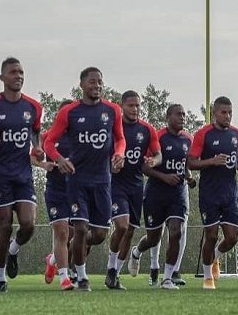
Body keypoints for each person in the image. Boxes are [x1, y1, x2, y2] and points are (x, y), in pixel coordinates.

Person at [43, 66, 125, 292]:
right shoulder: (69, 112)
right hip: (77, 181)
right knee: (79, 228)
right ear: (82, 85)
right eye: (92, 81)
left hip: (102, 182)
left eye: (99, 81)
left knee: (99, 234)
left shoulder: (112, 110)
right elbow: (49, 142)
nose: (96, 85)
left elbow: (120, 139)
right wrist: (59, 159)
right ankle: (81, 276)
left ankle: (61, 257)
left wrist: (119, 154)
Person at [0, 57, 43, 292]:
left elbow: (36, 132)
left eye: (21, 72)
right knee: (4, 224)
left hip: (23, 175)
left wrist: (38, 147)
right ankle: (0, 277)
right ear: (2, 77)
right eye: (13, 72)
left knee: (28, 224)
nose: (19, 76)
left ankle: (14, 250)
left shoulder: (33, 107)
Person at [129, 103, 194, 290]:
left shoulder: (188, 140)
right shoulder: (158, 137)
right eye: (178, 114)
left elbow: (185, 166)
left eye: (184, 114)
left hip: (177, 194)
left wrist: (189, 178)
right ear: (168, 117)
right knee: (153, 239)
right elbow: (144, 167)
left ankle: (167, 278)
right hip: (156, 193)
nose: (182, 117)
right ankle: (136, 251)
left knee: (176, 231)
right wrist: (164, 177)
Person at [187, 96, 238, 290]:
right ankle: (207, 277)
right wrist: (211, 161)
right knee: (211, 235)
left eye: (230, 112)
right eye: (223, 112)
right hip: (209, 193)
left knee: (232, 237)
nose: (227, 116)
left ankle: (215, 258)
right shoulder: (203, 134)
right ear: (214, 112)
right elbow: (191, 162)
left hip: (229, 193)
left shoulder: (237, 134)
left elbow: (235, 160)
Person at [106, 91, 161, 290]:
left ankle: (115, 274)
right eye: (130, 105)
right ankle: (111, 268)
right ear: (122, 106)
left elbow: (158, 154)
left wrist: (153, 161)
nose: (135, 109)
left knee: (129, 232)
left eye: (137, 105)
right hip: (115, 184)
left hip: (136, 186)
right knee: (121, 225)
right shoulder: (113, 127)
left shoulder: (147, 130)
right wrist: (110, 164)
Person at [40, 99, 75, 291]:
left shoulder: (81, 137)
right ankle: (64, 278)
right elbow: (33, 155)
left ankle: (52, 259)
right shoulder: (49, 137)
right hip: (56, 191)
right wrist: (43, 164)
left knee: (75, 235)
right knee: (61, 232)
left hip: (77, 191)